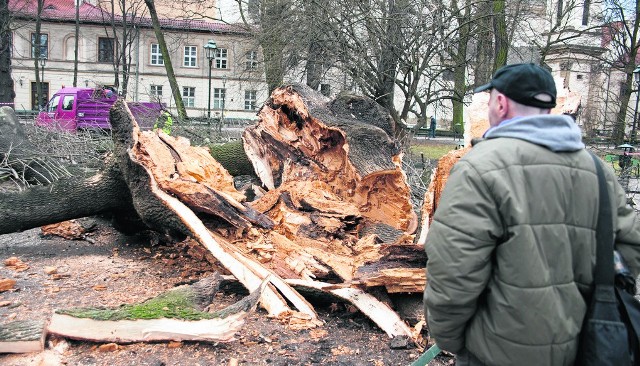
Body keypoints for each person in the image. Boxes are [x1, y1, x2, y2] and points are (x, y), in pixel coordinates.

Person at [423, 63, 640, 366]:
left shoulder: (479, 168)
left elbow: (453, 272)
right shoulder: (597, 168)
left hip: (498, 354)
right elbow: (630, 246)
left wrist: (453, 339)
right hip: (585, 347)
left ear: (500, 102)